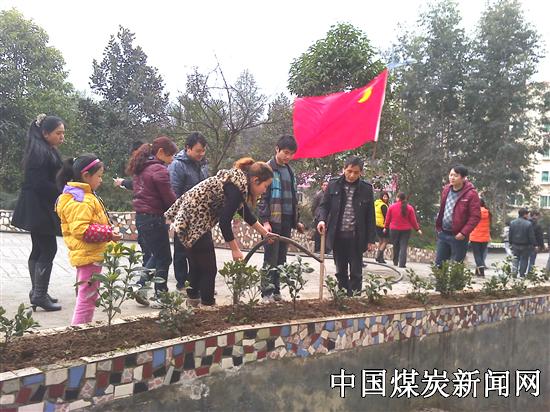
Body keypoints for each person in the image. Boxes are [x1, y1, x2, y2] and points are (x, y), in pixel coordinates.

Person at [165, 158, 277, 307]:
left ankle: (193, 301)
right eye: (265, 186)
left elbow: (246, 214)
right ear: (256, 180)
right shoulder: (236, 188)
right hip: (195, 221)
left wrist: (264, 233)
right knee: (209, 268)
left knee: (197, 265)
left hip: (189, 220)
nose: (265, 190)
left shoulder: (237, 184)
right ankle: (207, 305)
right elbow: (225, 221)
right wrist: (235, 249)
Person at [56, 155, 122, 325]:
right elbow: (81, 230)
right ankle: (80, 331)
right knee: (87, 299)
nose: (101, 179)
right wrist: (109, 233)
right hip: (89, 255)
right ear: (86, 175)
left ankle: (80, 329)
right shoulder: (81, 200)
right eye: (99, 176)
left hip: (89, 254)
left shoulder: (84, 195)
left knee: (85, 294)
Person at [11, 114, 65, 312]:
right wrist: (63, 191)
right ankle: (39, 295)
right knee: (48, 249)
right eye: (58, 133)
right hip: (37, 207)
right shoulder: (39, 153)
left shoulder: (45, 150)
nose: (62, 137)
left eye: (63, 133)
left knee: (39, 248)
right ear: (45, 133)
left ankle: (37, 292)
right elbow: (39, 184)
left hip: (38, 206)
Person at [127, 136, 178, 304]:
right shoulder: (159, 170)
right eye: (170, 155)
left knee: (157, 255)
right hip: (154, 218)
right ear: (161, 152)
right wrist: (180, 209)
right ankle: (160, 296)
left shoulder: (141, 167)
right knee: (164, 258)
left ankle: (140, 288)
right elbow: (169, 198)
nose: (172, 159)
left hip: (142, 218)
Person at [317, 156, 376, 296]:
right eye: (349, 171)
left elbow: (370, 216)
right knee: (340, 271)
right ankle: (342, 297)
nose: (352, 175)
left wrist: (371, 239)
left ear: (361, 172)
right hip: (337, 235)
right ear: (343, 169)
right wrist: (322, 220)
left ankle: (355, 299)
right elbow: (324, 206)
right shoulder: (333, 185)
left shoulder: (366, 189)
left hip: (356, 237)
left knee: (356, 272)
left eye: (356, 172)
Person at [258, 135, 305, 302]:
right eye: (285, 152)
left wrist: (296, 221)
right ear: (277, 149)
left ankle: (277, 291)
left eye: (291, 154)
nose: (288, 156)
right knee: (270, 258)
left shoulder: (289, 171)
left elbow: (293, 198)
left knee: (281, 258)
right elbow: (262, 198)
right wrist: (265, 221)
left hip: (286, 220)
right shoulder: (266, 169)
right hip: (272, 221)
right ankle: (266, 292)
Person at [168, 132, 209, 292]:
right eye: (198, 150)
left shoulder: (203, 165)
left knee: (199, 251)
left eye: (203, 150)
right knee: (181, 251)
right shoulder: (177, 165)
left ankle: (197, 283)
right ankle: (182, 284)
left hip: (201, 217)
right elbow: (174, 192)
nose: (201, 154)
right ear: (188, 148)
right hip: (184, 216)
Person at [113, 140, 151, 265]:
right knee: (146, 244)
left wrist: (123, 182)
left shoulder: (148, 166)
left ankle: (147, 271)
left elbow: (138, 184)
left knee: (148, 245)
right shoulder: (148, 165)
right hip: (145, 211)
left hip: (147, 213)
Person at [435, 165, 481, 267]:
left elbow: (475, 216)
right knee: (439, 265)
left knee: (455, 267)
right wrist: (438, 229)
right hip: (443, 233)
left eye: (455, 176)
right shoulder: (446, 189)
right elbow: (442, 209)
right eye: (451, 175)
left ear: (463, 178)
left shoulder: (471, 194)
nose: (452, 178)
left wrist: (463, 232)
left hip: (458, 236)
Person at [384, 192, 422, 268]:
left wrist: (385, 227)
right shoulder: (409, 208)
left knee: (395, 245)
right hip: (406, 230)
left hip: (394, 229)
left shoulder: (392, 207)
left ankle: (395, 261)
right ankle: (402, 263)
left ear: (398, 198)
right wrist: (417, 229)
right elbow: (413, 220)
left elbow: (388, 218)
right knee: (403, 246)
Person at [509, 208, 535, 277]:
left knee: (515, 259)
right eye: (527, 214)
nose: (528, 216)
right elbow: (531, 236)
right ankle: (522, 274)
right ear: (525, 214)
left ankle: (514, 273)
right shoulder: (528, 224)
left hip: (515, 244)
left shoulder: (512, 223)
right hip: (525, 245)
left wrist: (510, 243)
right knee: (524, 260)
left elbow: (510, 234)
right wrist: (533, 244)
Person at [469, 198, 492, 277]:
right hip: (485, 237)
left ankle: (481, 272)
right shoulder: (488, 212)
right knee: (481, 255)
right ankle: (477, 272)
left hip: (475, 236)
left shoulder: (474, 212)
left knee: (477, 255)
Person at [311, 181, 329, 254]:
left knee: (326, 234)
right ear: (321, 186)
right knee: (318, 233)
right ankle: (317, 249)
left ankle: (326, 249)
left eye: (327, 185)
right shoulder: (318, 195)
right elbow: (314, 206)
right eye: (324, 185)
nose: (325, 187)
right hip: (318, 217)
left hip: (327, 217)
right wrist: (315, 215)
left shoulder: (329, 195)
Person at [374, 191, 390, 263]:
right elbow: (386, 217)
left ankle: (378, 257)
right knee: (385, 241)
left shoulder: (376, 204)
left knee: (381, 241)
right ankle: (379, 256)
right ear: (381, 197)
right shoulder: (383, 205)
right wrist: (386, 227)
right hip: (383, 225)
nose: (386, 198)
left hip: (376, 224)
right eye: (384, 197)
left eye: (386, 197)